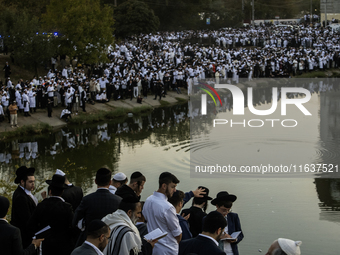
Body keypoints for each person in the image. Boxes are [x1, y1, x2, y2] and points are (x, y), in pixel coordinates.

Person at [73, 168, 122, 247]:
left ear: (95, 181)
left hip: (91, 241)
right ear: (110, 182)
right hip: (111, 241)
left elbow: (75, 220)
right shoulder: (119, 201)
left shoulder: (87, 199)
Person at [27, 174, 75, 255]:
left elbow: (30, 226)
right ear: (62, 192)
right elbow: (73, 227)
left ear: (50, 191)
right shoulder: (67, 207)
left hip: (46, 246)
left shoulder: (41, 206)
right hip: (63, 247)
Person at [142, 172, 182, 255]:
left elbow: (145, 218)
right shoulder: (168, 207)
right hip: (167, 250)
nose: (174, 190)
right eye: (173, 187)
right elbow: (178, 234)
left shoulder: (148, 200)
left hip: (152, 248)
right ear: (164, 186)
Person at [11, 166, 38, 248]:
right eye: (30, 182)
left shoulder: (25, 192)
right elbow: (26, 220)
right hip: (25, 237)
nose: (33, 184)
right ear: (22, 182)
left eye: (34, 181)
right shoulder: (21, 197)